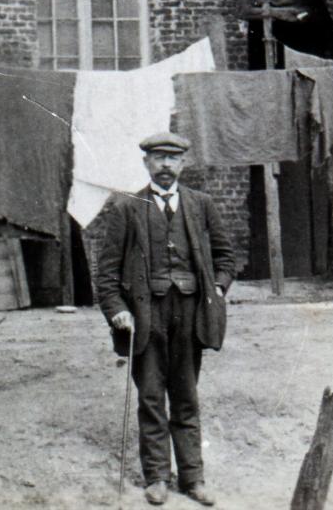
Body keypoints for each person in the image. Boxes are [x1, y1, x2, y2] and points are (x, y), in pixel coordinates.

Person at [97, 132, 236, 506]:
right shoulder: (127, 208)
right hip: (146, 315)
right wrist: (117, 310)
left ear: (183, 164)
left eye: (172, 159)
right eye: (158, 158)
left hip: (190, 314)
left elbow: (226, 257)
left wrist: (218, 289)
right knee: (152, 396)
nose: (165, 165)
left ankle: (193, 478)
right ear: (146, 163)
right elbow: (107, 272)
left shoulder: (201, 205)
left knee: (187, 396)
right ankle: (157, 476)